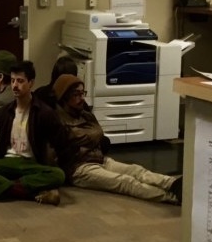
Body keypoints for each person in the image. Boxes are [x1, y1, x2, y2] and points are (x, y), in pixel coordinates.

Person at [53, 74, 182, 204]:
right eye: (76, 94)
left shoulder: (85, 114)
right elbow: (80, 141)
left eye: (83, 93)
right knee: (125, 181)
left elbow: (98, 135)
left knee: (136, 170)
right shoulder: (57, 120)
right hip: (80, 168)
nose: (82, 98)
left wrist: (87, 139)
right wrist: (90, 137)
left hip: (100, 159)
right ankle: (172, 197)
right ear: (64, 97)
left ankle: (174, 184)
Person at [0, 59, 67, 206]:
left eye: (20, 81)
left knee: (58, 175)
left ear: (31, 83)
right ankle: (27, 191)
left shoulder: (44, 113)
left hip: (31, 163)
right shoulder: (5, 112)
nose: (15, 85)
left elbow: (60, 140)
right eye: (13, 80)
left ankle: (3, 188)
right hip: (8, 161)